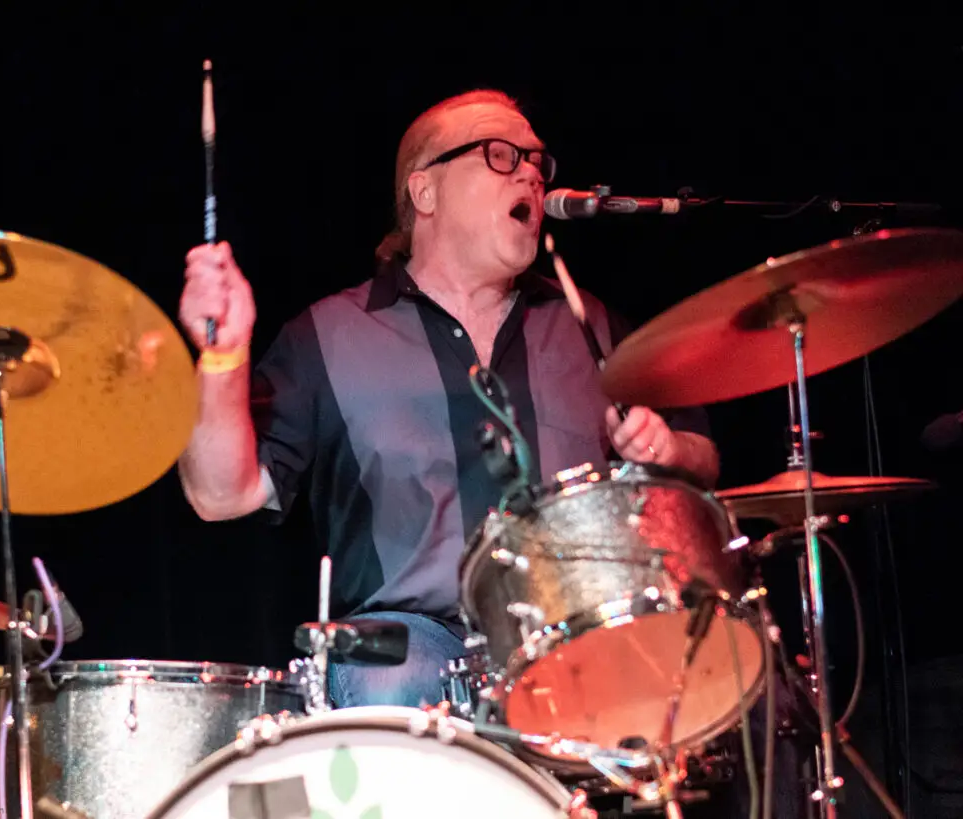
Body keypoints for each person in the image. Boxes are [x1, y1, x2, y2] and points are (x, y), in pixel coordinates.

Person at [177, 88, 719, 709]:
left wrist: (668, 447)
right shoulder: (328, 334)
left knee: (725, 669)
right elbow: (220, 495)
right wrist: (223, 353)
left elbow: (701, 456)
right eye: (500, 155)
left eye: (537, 161)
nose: (530, 174)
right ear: (424, 192)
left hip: (577, 632)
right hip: (418, 640)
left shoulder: (587, 322)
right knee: (392, 672)